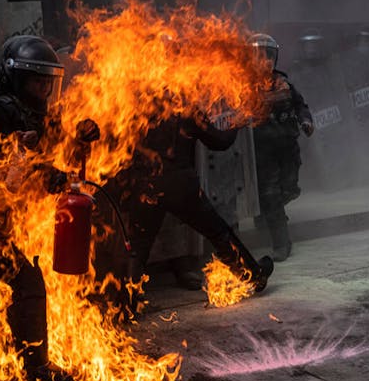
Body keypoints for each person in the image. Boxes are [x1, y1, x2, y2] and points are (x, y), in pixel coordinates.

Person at [0, 35, 81, 381]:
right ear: (15, 77)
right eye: (36, 80)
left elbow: (42, 154)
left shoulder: (33, 111)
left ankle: (18, 352)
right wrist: (33, 165)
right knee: (28, 283)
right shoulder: (0, 110)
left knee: (20, 284)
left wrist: (77, 141)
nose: (43, 88)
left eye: (47, 81)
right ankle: (37, 371)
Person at [95, 112, 274, 320]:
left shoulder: (137, 109)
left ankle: (125, 307)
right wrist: (237, 123)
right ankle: (253, 276)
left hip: (146, 188)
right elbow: (220, 141)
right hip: (180, 186)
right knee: (218, 232)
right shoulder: (186, 109)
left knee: (138, 247)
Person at [249, 33, 314, 261]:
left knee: (289, 189)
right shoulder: (243, 87)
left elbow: (300, 105)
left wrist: (306, 121)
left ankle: (268, 212)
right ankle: (281, 243)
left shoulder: (284, 83)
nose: (265, 61)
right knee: (271, 195)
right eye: (259, 56)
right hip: (263, 151)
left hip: (288, 148)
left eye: (269, 56)